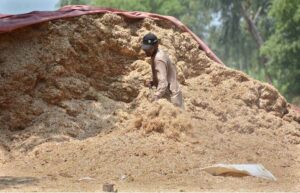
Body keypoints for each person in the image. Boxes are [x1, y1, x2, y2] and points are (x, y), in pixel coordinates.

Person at [141, 33, 184, 109]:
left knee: (173, 119)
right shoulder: (155, 53)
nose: (146, 51)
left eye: (148, 49)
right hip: (168, 92)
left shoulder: (159, 59)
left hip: (172, 97)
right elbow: (163, 76)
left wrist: (156, 95)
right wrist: (153, 82)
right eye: (145, 49)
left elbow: (163, 81)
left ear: (156, 46)